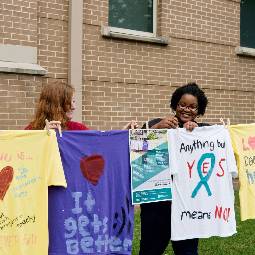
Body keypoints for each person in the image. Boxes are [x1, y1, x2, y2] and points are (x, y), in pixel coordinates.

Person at [139, 82, 209, 255]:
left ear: (198, 111)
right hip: (157, 203)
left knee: (187, 251)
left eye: (193, 107)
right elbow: (137, 148)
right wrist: (157, 129)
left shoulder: (204, 130)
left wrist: (197, 132)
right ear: (175, 105)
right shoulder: (156, 123)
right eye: (182, 104)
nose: (186, 109)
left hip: (187, 204)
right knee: (150, 250)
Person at [25, 80, 138, 131]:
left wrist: (122, 133)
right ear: (56, 104)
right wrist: (42, 138)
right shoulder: (31, 131)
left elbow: (101, 145)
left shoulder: (78, 129)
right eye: (70, 102)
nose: (74, 107)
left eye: (74, 101)